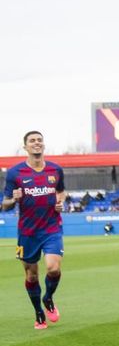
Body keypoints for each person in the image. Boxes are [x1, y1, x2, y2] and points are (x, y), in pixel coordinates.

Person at [2, 131, 66, 329]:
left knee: (53, 268)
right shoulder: (14, 173)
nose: (36, 143)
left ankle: (48, 298)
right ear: (26, 147)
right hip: (28, 232)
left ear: (43, 145)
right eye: (32, 141)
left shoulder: (56, 170)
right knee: (31, 276)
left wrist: (60, 201)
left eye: (39, 140)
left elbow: (61, 191)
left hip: (52, 228)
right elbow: (5, 204)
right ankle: (39, 312)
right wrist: (14, 199)